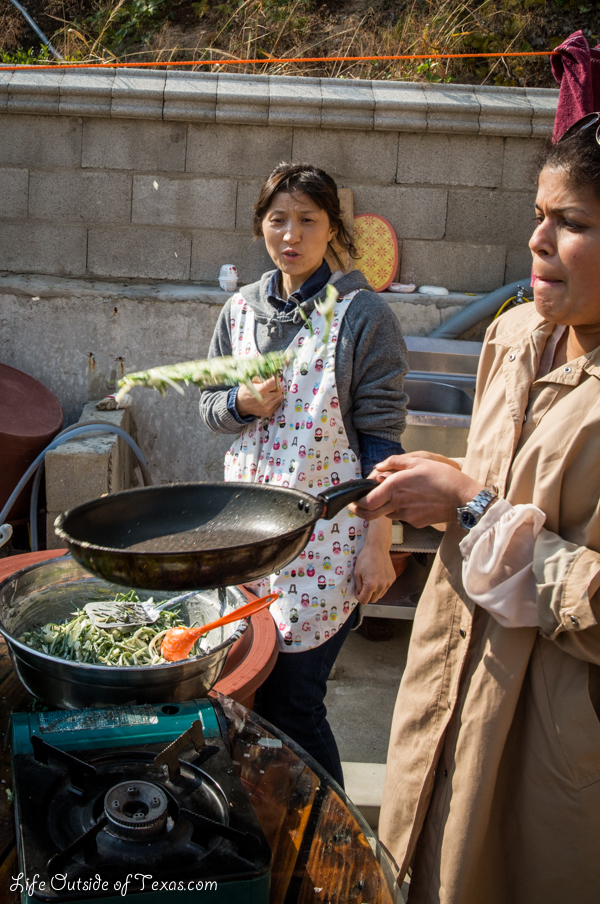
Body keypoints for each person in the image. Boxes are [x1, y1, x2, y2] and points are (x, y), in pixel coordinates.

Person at [351, 113, 600, 903]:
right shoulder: (518, 332)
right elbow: (513, 483)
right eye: (539, 216)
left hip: (544, 734)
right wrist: (445, 482)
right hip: (446, 677)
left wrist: (473, 508)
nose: (538, 241)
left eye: (574, 223)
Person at [200, 162, 407, 786]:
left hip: (326, 544)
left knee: (296, 704)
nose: (291, 234)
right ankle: (266, 814)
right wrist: (242, 405)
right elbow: (209, 407)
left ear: (331, 228)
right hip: (244, 536)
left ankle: (330, 836)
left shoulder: (363, 316)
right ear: (260, 225)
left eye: (308, 221)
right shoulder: (240, 311)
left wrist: (379, 542)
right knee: (244, 697)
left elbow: (382, 442)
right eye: (278, 219)